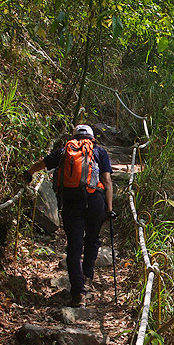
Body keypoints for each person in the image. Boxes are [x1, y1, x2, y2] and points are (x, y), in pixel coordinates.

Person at [24, 124, 115, 307]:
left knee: (74, 246)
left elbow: (42, 164)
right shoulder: (100, 152)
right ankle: (87, 277)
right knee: (92, 240)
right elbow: (107, 180)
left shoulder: (65, 151)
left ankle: (78, 293)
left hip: (71, 203)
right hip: (95, 200)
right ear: (92, 138)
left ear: (74, 137)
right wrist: (109, 208)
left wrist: (27, 174)